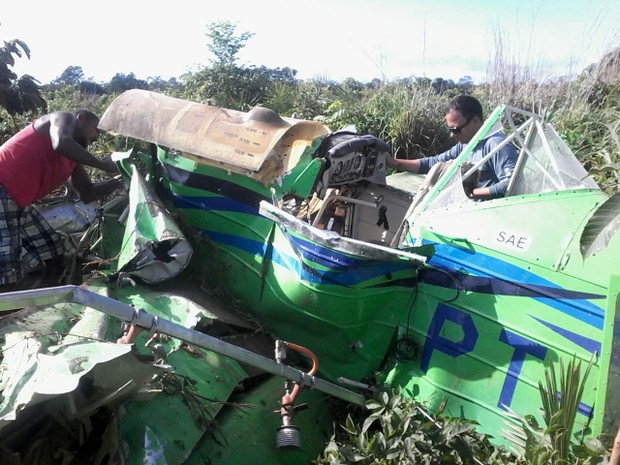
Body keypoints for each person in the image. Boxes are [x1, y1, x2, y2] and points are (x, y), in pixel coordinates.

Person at [0, 109, 124, 290]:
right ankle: (7, 313)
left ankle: (48, 297)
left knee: (54, 251)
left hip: (17, 202)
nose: (97, 136)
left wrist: (119, 181)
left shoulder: (72, 158)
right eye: (97, 129)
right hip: (3, 191)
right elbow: (61, 143)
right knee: (7, 272)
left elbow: (87, 193)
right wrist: (104, 165)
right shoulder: (62, 117)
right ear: (80, 119)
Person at [387, 95, 518, 200]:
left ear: (475, 121)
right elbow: (434, 162)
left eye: (455, 129)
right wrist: (395, 163)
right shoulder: (466, 144)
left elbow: (512, 184)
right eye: (449, 129)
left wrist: (470, 193)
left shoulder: (497, 145)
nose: (452, 135)